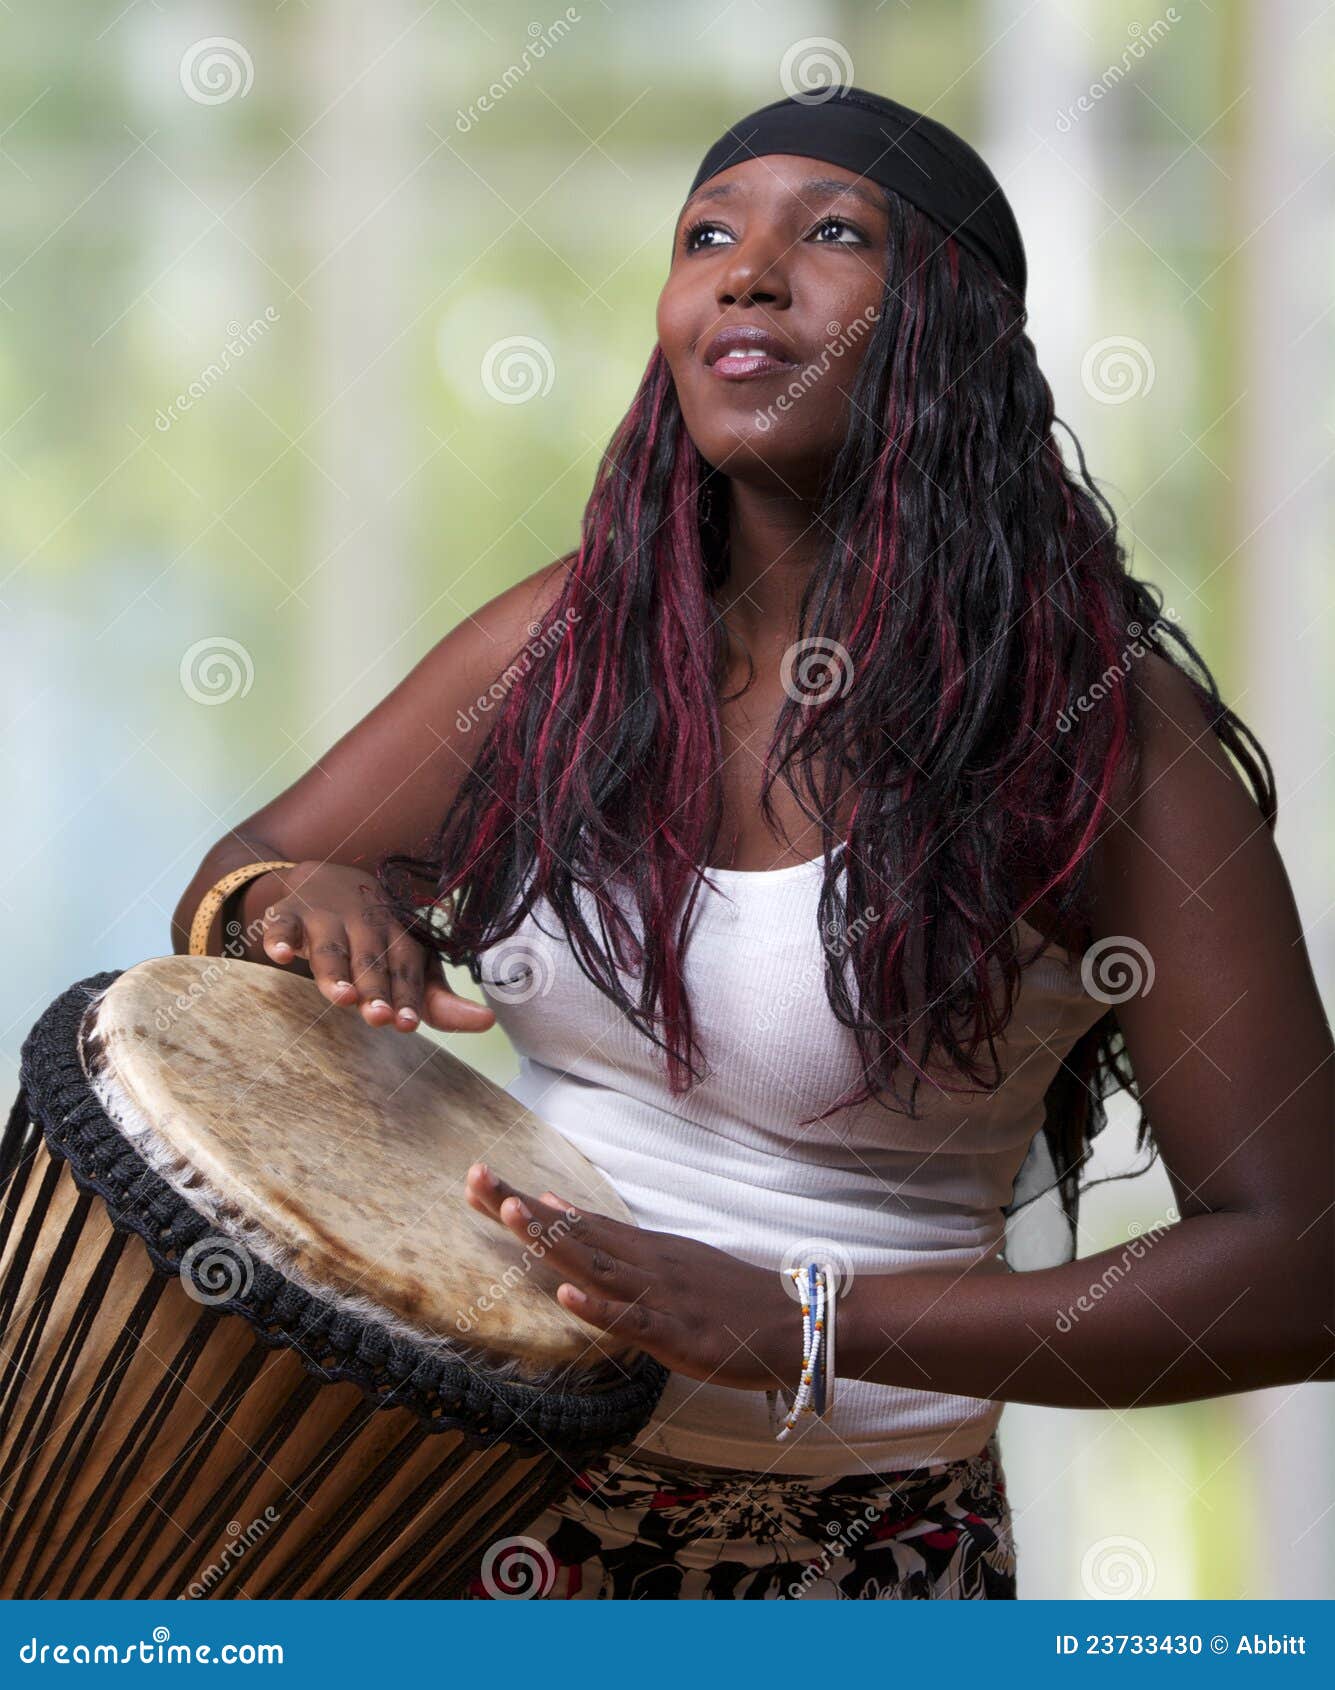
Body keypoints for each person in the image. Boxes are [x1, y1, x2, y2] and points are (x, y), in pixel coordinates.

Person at [173, 87, 1334, 1600]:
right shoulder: (572, 639)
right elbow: (239, 871)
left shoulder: (1105, 735)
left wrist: (810, 1320)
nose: (746, 269)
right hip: (448, 1499)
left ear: (953, 330)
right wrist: (300, 896)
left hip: (844, 1557)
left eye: (830, 233)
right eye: (707, 235)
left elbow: (1297, 1268)